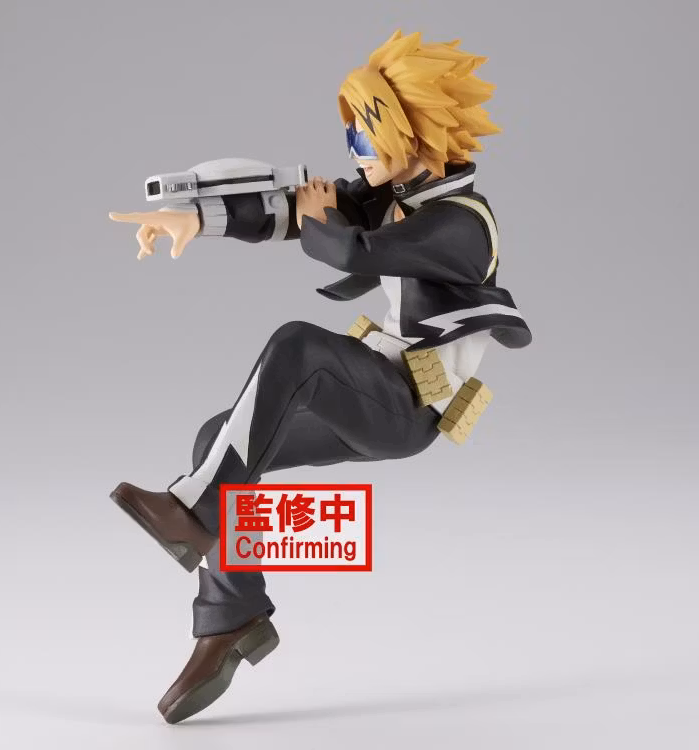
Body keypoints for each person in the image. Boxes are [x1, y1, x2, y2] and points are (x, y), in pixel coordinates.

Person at [108, 30, 531, 724]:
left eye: (365, 134)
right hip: (374, 388)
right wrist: (194, 216)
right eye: (352, 135)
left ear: (414, 132)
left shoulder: (462, 224)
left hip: (409, 406)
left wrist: (319, 217)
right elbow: (290, 210)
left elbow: (355, 249)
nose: (355, 152)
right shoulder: (395, 192)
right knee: (222, 437)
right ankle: (232, 614)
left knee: (299, 346)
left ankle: (193, 509)